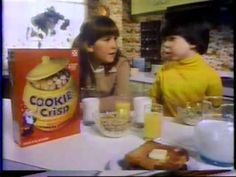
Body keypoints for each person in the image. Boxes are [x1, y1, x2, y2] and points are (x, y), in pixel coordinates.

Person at [149, 17, 223, 118]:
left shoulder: (210, 76)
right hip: (165, 129)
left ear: (193, 42)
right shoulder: (164, 69)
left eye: (172, 39)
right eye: (165, 40)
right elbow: (154, 99)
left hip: (195, 130)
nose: (165, 44)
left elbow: (215, 113)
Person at [72, 16, 130, 111]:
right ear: (89, 46)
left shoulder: (121, 63)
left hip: (109, 120)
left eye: (115, 39)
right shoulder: (75, 63)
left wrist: (86, 106)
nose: (114, 46)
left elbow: (123, 100)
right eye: (107, 40)